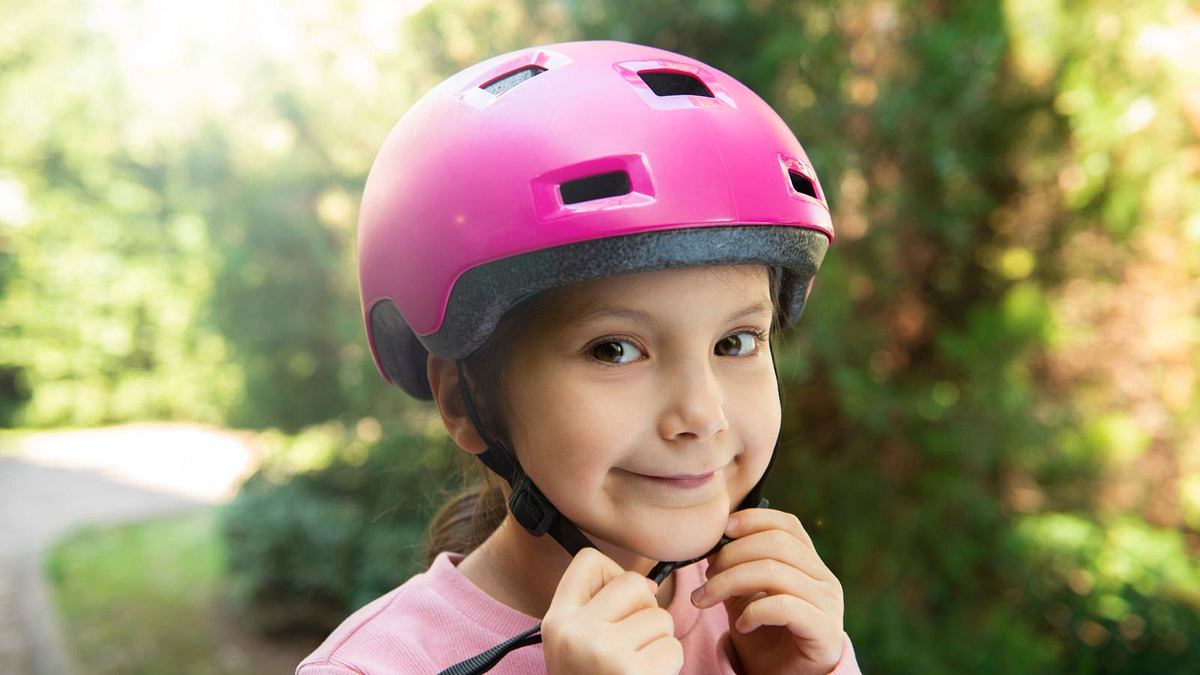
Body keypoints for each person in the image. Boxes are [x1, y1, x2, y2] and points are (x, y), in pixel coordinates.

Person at [298, 40, 861, 674]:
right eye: (615, 350)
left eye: (736, 342)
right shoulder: (377, 666)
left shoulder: (768, 621)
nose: (702, 415)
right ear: (464, 400)